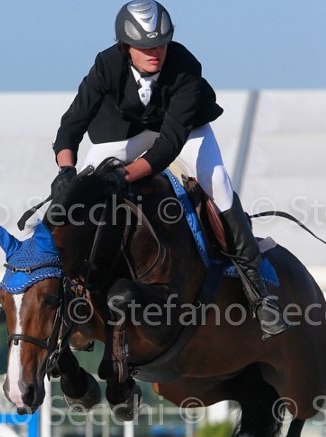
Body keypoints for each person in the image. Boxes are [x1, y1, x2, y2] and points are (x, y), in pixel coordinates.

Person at [51, 1, 288, 338]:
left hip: (185, 133)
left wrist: (124, 176)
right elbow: (72, 123)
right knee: (77, 194)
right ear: (125, 46)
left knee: (218, 183)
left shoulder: (185, 65)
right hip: (126, 133)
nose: (156, 52)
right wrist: (66, 171)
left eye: (161, 43)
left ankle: (259, 294)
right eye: (146, 46)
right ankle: (63, 288)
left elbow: (170, 144)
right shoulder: (106, 63)